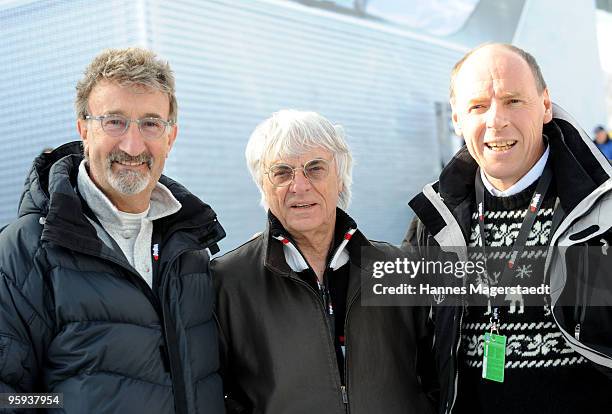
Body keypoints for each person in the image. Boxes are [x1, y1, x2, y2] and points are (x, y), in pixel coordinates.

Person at [0, 47, 225, 413]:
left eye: (151, 123)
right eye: (114, 121)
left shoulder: (190, 249)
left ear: (171, 136)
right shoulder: (24, 253)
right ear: (83, 129)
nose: (132, 145)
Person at [406, 43, 612, 413]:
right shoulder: (434, 221)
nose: (496, 120)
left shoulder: (602, 213)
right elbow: (408, 341)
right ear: (457, 118)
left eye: (513, 100)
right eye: (478, 106)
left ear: (545, 105)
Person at [212, 110, 436, 414]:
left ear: (340, 179)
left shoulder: (399, 271)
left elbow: (439, 376)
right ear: (263, 185)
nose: (299, 185)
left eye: (315, 169)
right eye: (281, 172)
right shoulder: (228, 282)